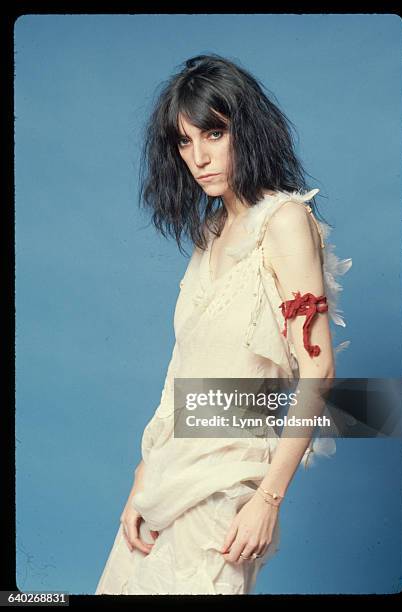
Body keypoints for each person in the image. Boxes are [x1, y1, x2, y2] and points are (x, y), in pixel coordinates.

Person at [95, 53, 352, 595]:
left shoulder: (284, 221)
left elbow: (319, 366)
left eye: (213, 133)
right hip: (168, 475)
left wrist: (267, 498)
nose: (198, 156)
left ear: (247, 131)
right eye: (185, 141)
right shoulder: (210, 233)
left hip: (229, 482)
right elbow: (181, 369)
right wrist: (144, 476)